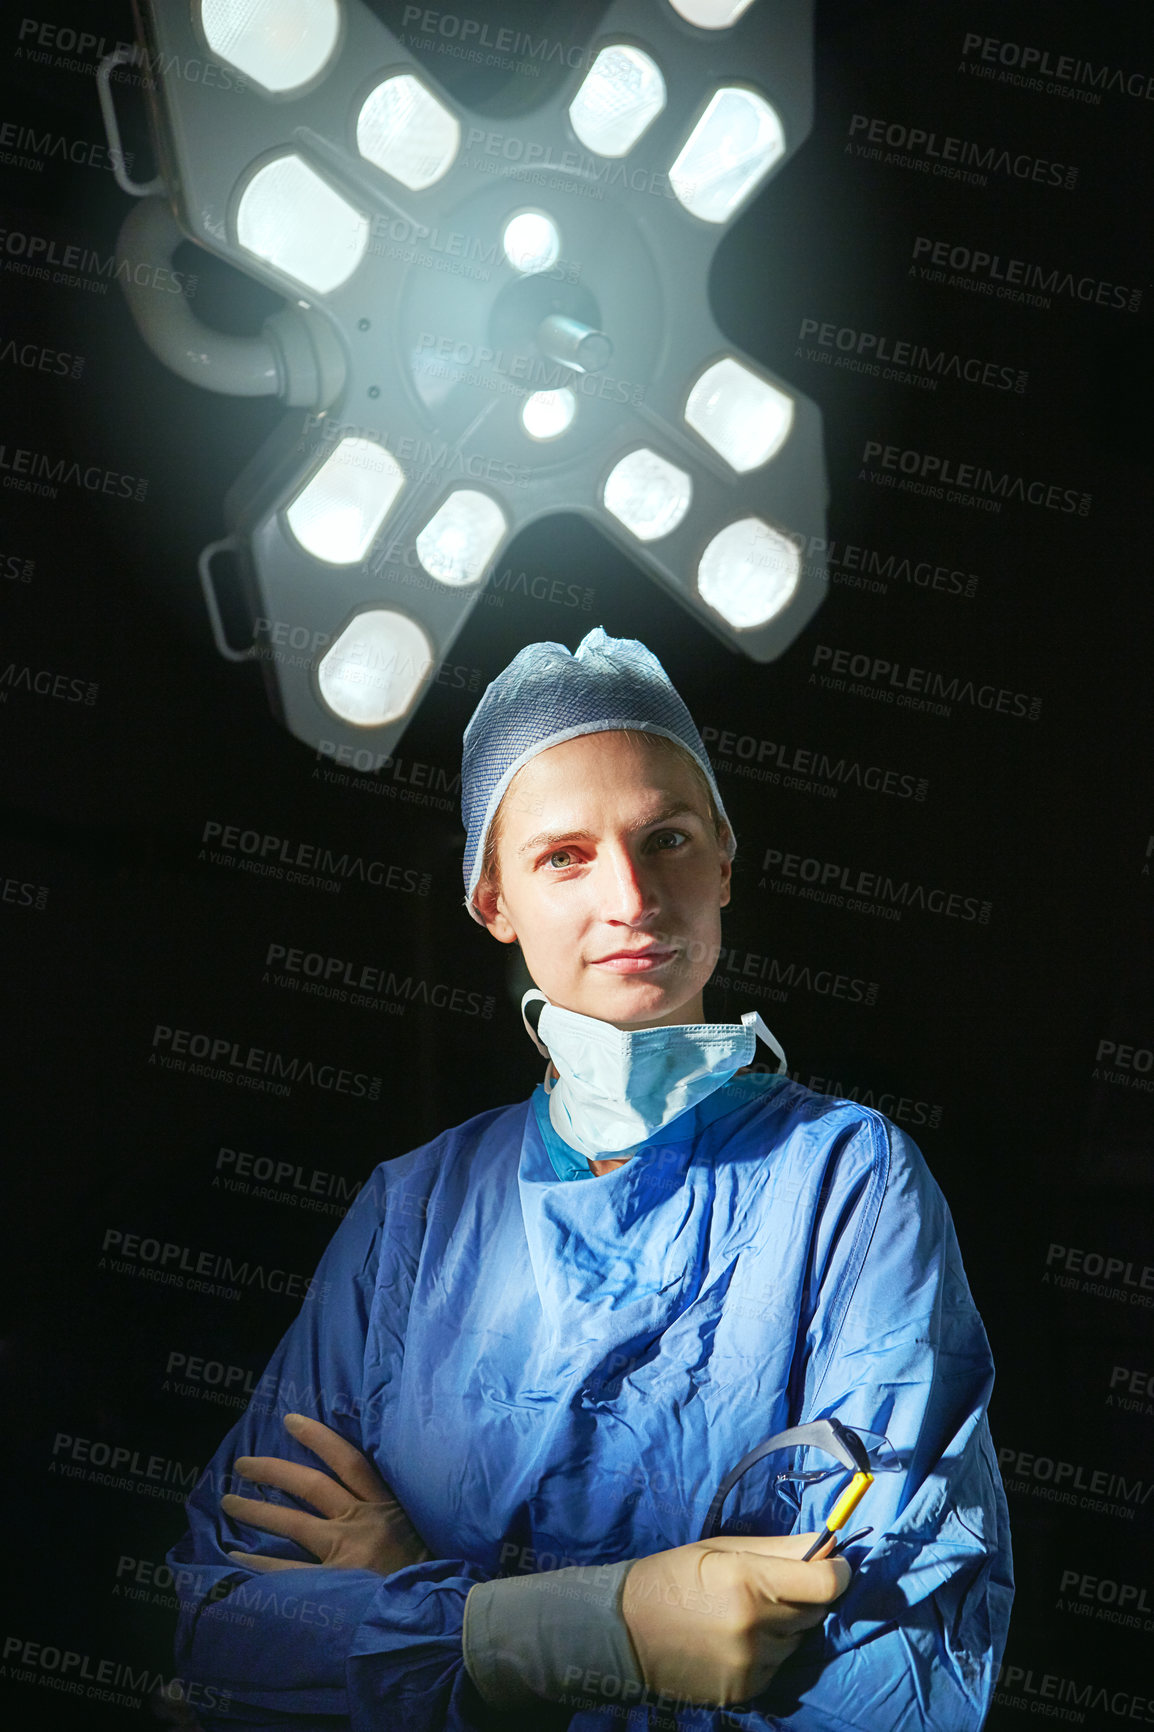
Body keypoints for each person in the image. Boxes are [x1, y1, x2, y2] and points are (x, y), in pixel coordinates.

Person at [167, 627, 1014, 1730]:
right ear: (493, 902)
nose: (628, 895)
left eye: (663, 838)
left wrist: (422, 1611)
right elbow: (221, 1624)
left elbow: (892, 1690)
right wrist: (558, 1629)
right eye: (562, 855)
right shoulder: (414, 1212)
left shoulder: (845, 1186)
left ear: (722, 859)